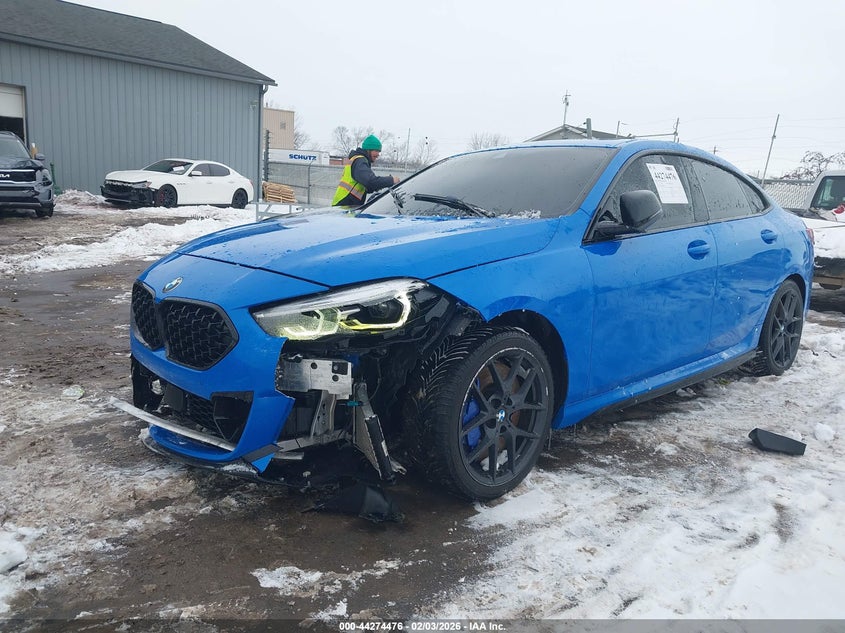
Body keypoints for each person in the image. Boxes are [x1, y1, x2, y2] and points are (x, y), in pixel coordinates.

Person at [332, 135, 399, 207]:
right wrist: (391, 180)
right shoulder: (360, 161)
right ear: (368, 150)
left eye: (379, 151)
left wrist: (384, 183)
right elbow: (370, 182)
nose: (378, 154)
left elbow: (368, 187)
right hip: (344, 205)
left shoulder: (358, 160)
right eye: (376, 151)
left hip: (345, 204)